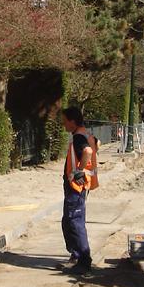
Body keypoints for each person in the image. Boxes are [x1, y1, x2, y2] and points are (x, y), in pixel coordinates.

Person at [59, 106, 98, 276]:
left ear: (72, 121)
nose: (63, 124)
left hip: (77, 186)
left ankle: (83, 260)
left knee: (74, 221)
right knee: (69, 221)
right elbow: (96, 144)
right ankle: (76, 255)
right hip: (81, 186)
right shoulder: (85, 134)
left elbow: (88, 151)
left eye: (65, 121)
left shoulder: (78, 138)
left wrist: (79, 171)